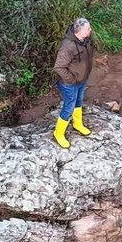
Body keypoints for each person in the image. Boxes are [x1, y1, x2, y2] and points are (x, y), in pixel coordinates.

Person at [53, 18, 94, 148]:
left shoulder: (85, 40)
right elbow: (58, 67)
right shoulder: (68, 46)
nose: (90, 30)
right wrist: (71, 79)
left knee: (78, 102)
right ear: (80, 31)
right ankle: (58, 133)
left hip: (82, 79)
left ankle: (78, 124)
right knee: (69, 106)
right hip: (69, 83)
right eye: (88, 29)